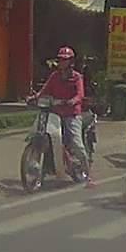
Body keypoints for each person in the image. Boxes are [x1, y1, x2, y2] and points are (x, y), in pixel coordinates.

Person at [37, 46, 93, 186]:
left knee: (76, 143)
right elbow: (44, 90)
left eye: (65, 60)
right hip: (55, 113)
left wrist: (73, 101)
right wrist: (35, 97)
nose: (62, 62)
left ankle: (87, 173)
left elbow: (80, 94)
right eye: (60, 59)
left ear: (71, 62)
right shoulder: (54, 76)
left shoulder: (77, 77)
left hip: (71, 114)